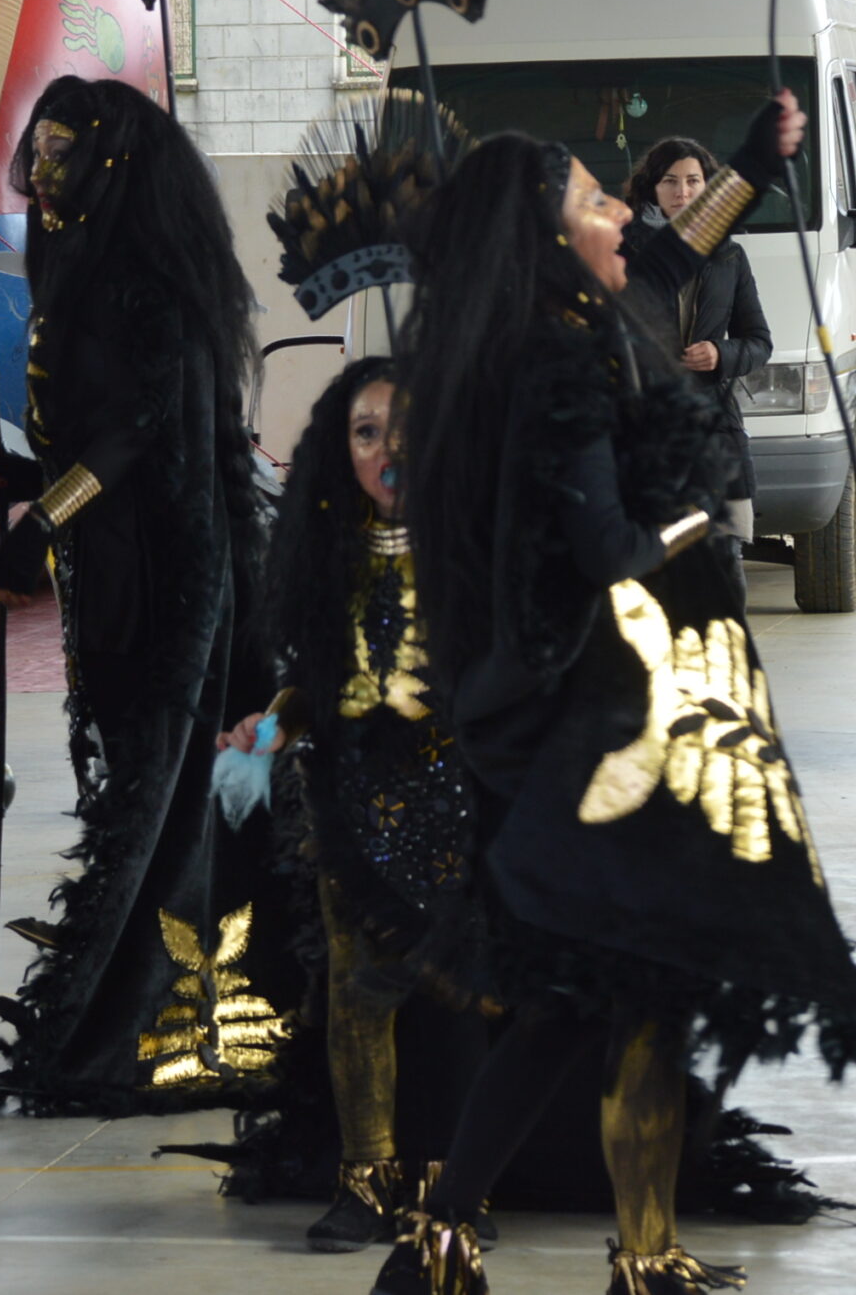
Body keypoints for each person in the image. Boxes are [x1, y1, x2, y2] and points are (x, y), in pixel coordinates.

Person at [373, 95, 856, 1295]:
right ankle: (480, 1235)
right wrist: (695, 508)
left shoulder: (553, 321)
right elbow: (607, 546)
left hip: (572, 711)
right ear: (552, 237)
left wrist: (750, 161)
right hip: (589, 720)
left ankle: (559, 1244)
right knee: (590, 994)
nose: (624, 213)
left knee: (602, 996)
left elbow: (679, 250)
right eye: (597, 201)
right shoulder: (564, 352)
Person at [0, 76, 274, 1116]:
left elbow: (140, 429)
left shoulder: (146, 281)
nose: (44, 172)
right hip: (115, 563)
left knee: (157, 792)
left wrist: (46, 515)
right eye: (40, 149)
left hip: (170, 575)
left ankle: (138, 1026)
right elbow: (96, 425)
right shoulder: (83, 263)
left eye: (64, 154)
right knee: (136, 787)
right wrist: (36, 485)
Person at [222, 357, 481, 1250]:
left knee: (452, 998)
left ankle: (451, 1181)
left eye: (404, 430)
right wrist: (269, 732)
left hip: (455, 807)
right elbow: (313, 686)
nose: (388, 450)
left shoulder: (470, 549)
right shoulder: (324, 558)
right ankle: (364, 1181)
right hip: (349, 809)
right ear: (344, 452)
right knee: (355, 996)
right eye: (367, 433)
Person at [622, 138, 772, 582]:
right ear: (651, 188)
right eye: (670, 181)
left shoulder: (728, 255)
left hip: (715, 425)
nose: (682, 192)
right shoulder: (624, 252)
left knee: (724, 560)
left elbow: (759, 341)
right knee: (654, 563)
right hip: (645, 426)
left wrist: (720, 354)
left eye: (693, 181)